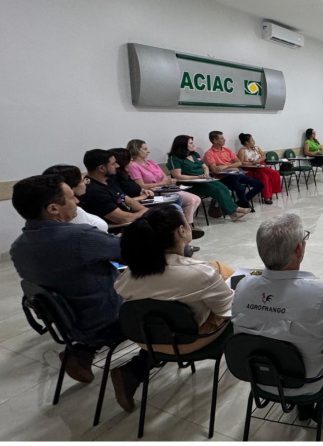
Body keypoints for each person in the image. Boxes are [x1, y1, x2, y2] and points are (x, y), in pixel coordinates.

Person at [9, 174, 149, 413]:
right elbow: (132, 253)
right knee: (172, 308)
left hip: (68, 324)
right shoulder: (79, 237)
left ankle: (80, 352)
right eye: (72, 198)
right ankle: (132, 371)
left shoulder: (18, 247)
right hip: (109, 320)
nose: (78, 202)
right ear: (53, 208)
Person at [232, 213, 323, 423]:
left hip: (257, 376)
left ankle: (302, 408)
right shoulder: (318, 294)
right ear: (298, 249)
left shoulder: (243, 286)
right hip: (307, 381)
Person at [114, 205, 233, 354]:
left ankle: (140, 363)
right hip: (189, 341)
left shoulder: (127, 274)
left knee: (215, 267)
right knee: (224, 276)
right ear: (181, 230)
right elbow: (228, 310)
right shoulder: (201, 273)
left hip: (145, 340)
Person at [166, 135, 250, 221]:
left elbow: (205, 166)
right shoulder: (174, 158)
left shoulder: (195, 154)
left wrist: (206, 174)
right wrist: (197, 177)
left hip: (203, 180)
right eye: (191, 143)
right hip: (189, 184)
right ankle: (234, 211)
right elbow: (178, 176)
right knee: (217, 190)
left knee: (223, 187)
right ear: (183, 145)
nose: (193, 145)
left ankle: (233, 212)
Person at [125, 139, 203, 225]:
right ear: (136, 150)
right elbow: (141, 185)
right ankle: (184, 226)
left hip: (165, 189)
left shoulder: (151, 162)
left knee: (196, 199)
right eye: (145, 149)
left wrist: (167, 182)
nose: (148, 151)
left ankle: (185, 224)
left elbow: (165, 178)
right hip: (152, 193)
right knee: (190, 200)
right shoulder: (133, 166)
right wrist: (162, 183)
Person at [79, 149, 149, 225]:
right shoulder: (94, 191)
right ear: (101, 168)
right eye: (113, 164)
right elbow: (124, 219)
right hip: (117, 229)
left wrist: (146, 210)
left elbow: (123, 199)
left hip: (131, 220)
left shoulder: (108, 180)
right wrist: (144, 213)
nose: (117, 166)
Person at [203, 131, 265, 207]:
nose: (224, 140)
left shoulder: (227, 150)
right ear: (215, 141)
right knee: (240, 188)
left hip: (235, 173)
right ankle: (244, 205)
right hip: (223, 178)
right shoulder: (209, 153)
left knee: (259, 185)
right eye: (221, 138)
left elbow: (239, 163)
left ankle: (240, 203)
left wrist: (227, 166)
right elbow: (215, 170)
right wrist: (232, 166)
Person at [42, 164, 108, 232]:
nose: (85, 183)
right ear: (70, 186)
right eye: (82, 180)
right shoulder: (70, 214)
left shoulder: (78, 204)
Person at [236, 133, 281, 203]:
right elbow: (241, 163)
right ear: (246, 142)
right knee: (265, 177)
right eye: (252, 140)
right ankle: (267, 198)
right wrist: (252, 163)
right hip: (250, 170)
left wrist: (258, 160)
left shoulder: (256, 148)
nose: (254, 141)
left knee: (274, 174)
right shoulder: (242, 150)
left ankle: (271, 192)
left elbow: (264, 156)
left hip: (260, 166)